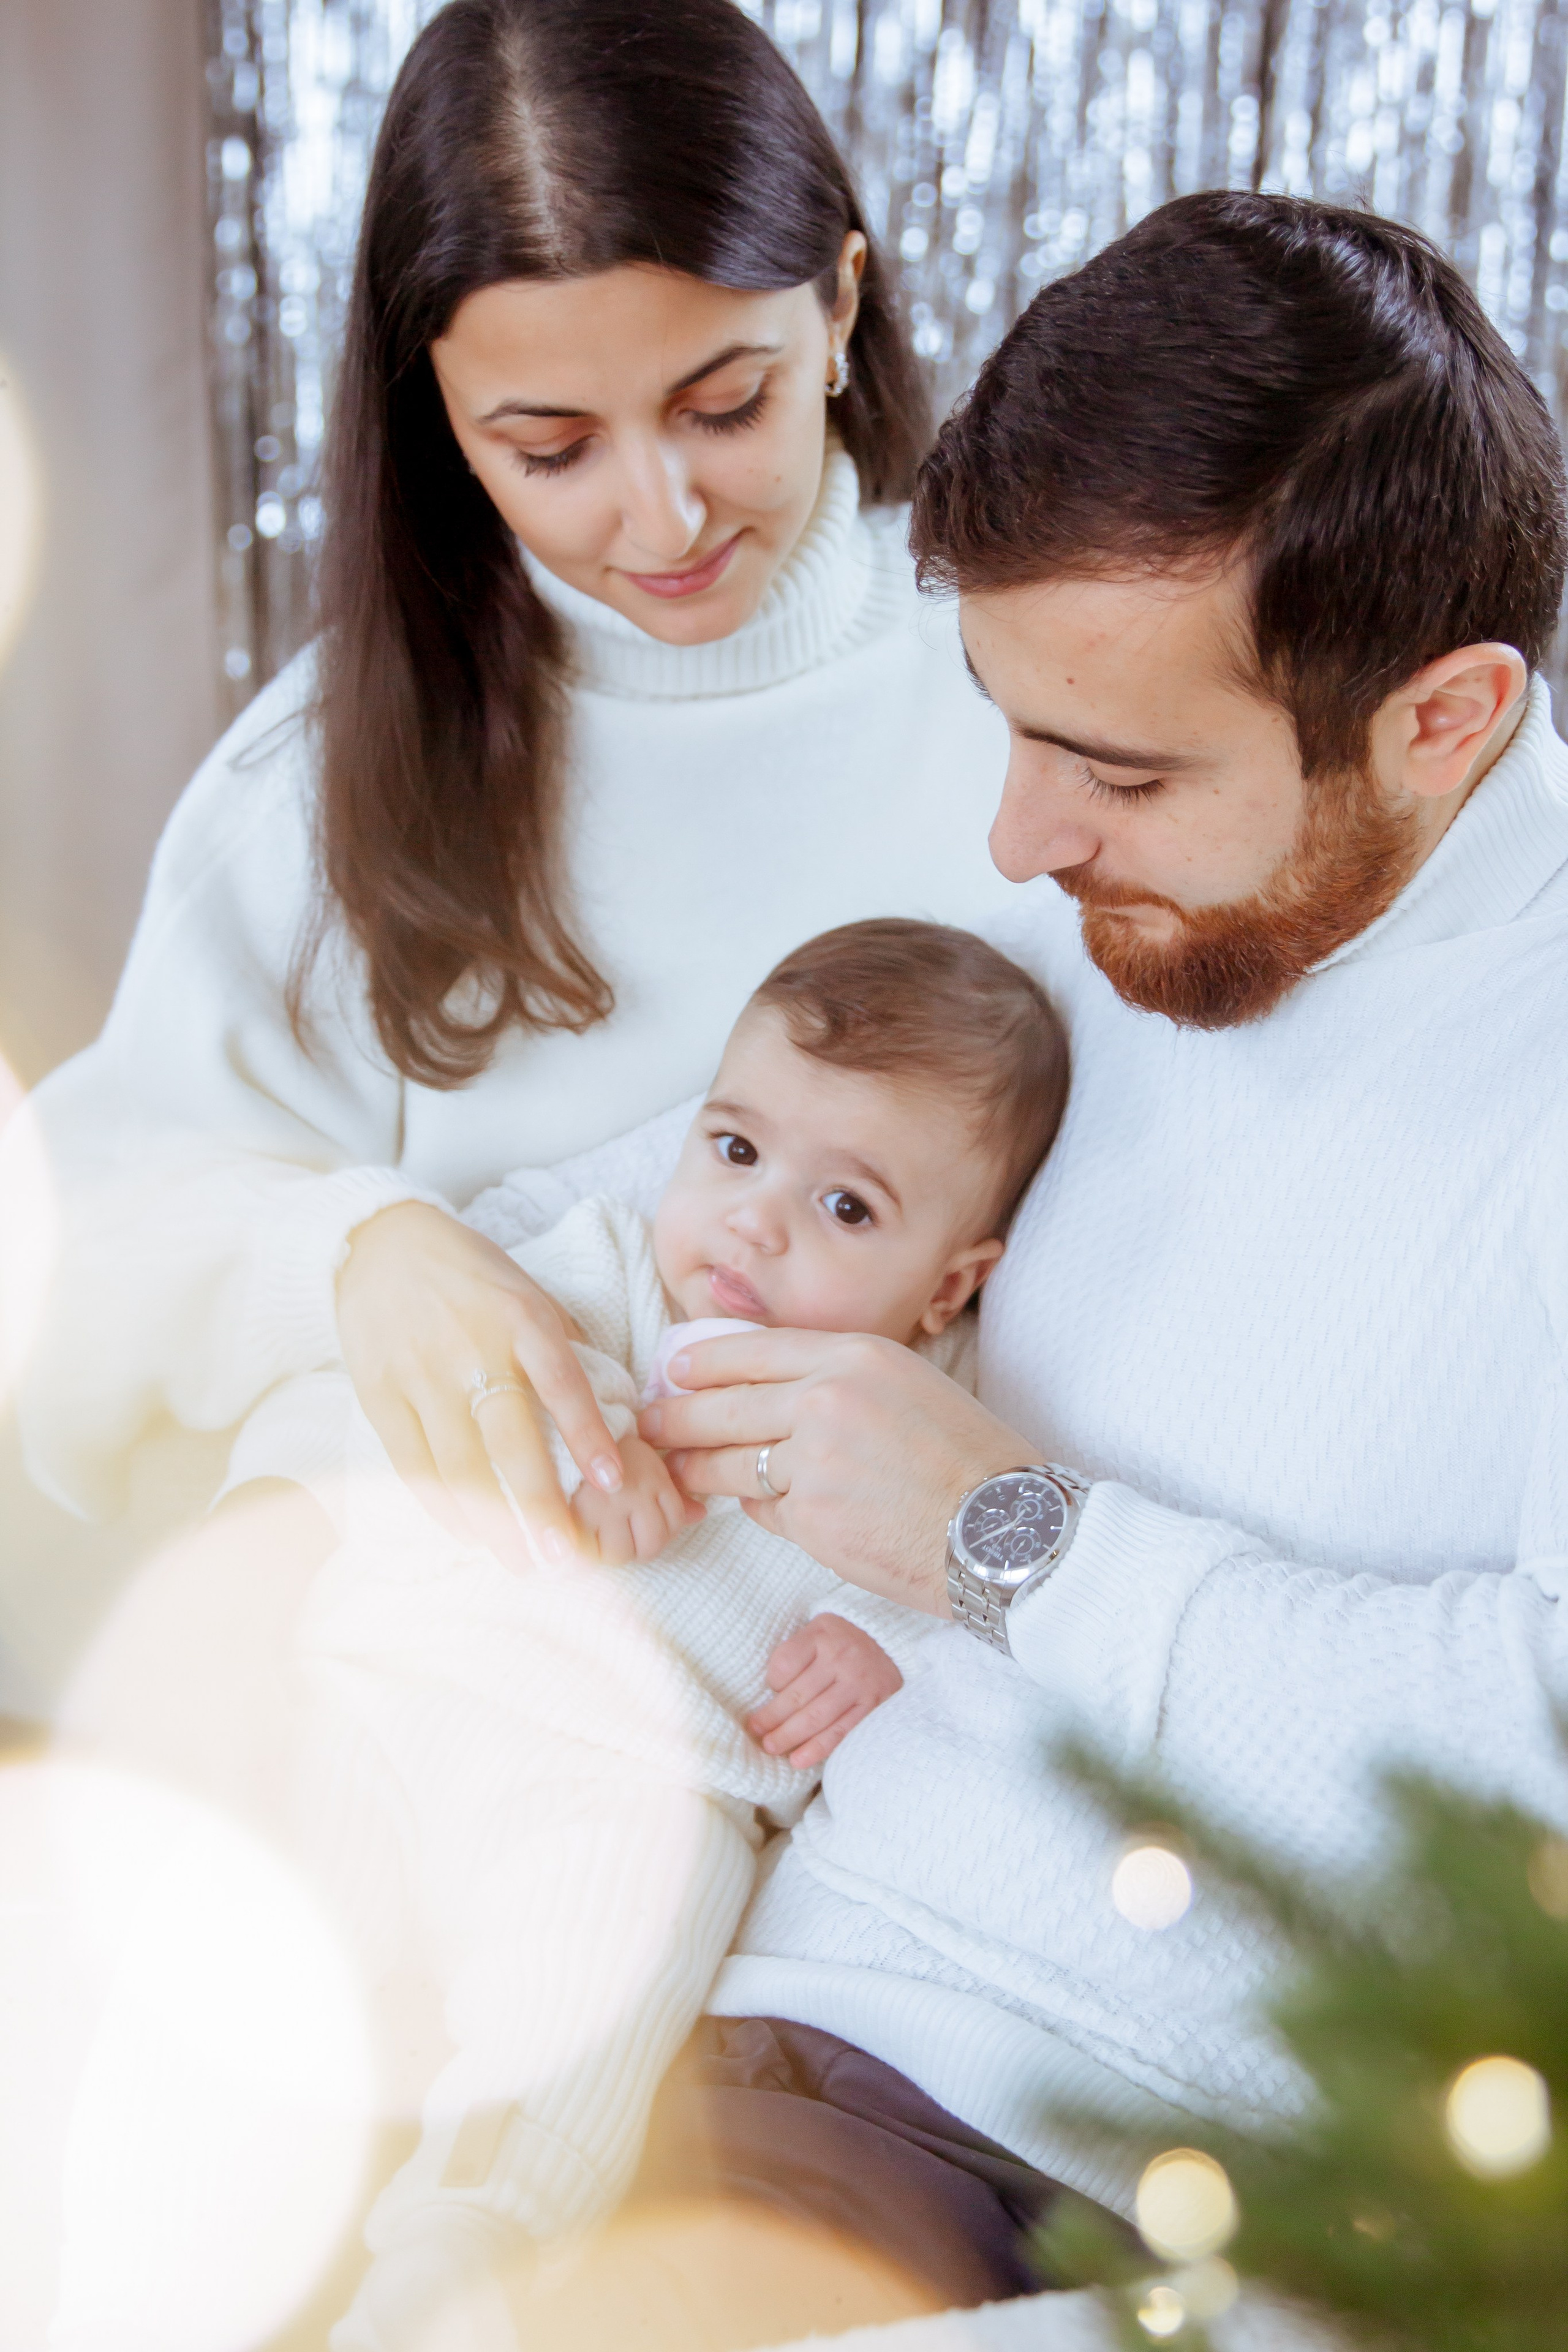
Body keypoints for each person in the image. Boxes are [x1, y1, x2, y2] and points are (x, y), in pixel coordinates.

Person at [611, 193, 1568, 2309]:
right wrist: (389, 1256)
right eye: (1009, 724)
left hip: (1287, 2192)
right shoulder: (1095, 915)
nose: (1018, 842)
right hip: (839, 2053)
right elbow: (688, 1186)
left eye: (1119, 767)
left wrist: (1018, 1540)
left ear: (1447, 715)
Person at [15, 0, 1011, 1570]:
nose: (662, 518)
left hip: (883, 1675)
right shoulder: (335, 759)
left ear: (837, 302)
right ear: (439, 423)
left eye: (723, 404)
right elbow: (72, 1247)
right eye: (551, 449)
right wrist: (349, 1254)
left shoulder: (1038, 686)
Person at [265, 922, 1068, 2351]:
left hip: (639, 1791)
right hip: (418, 1687)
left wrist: (882, 1666)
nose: (753, 1225)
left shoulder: (916, 1422)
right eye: (737, 1151)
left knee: (603, 1992)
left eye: (846, 1210)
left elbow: (957, 1601)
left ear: (949, 1283)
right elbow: (470, 1372)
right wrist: (576, 1437)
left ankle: (460, 2249)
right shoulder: (607, 1277)